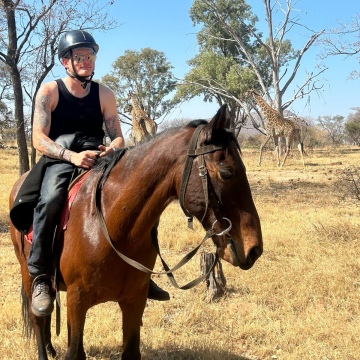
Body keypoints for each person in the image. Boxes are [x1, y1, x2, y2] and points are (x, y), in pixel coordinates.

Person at [29, 30, 169, 317]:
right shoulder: (49, 92)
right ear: (65, 62)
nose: (86, 62)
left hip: (100, 157)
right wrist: (72, 156)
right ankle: (41, 276)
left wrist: (110, 150)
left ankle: (143, 274)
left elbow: (118, 136)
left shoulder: (104, 94)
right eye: (79, 57)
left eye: (90, 56)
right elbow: (38, 138)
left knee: (141, 195)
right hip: (63, 157)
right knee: (50, 200)